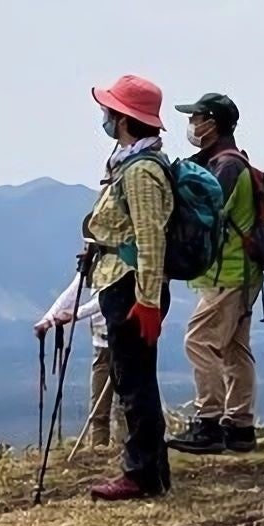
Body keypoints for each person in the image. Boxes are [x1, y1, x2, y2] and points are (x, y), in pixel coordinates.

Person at [83, 74, 174, 501]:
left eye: (109, 111)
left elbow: (150, 238)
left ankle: (140, 474)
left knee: (134, 382)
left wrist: (147, 301)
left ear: (122, 119)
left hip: (130, 288)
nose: (104, 117)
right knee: (136, 379)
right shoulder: (138, 164)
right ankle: (152, 470)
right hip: (130, 286)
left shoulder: (139, 173)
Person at [167, 93, 264, 456]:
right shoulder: (230, 161)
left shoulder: (226, 166)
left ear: (213, 123)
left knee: (199, 340)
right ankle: (240, 427)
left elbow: (204, 213)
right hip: (242, 271)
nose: (192, 125)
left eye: (197, 117)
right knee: (235, 347)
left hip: (228, 270)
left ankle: (208, 422)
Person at [34, 273, 125, 449]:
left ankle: (126, 455)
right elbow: (74, 289)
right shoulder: (96, 258)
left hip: (125, 341)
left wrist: (76, 313)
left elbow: (111, 296)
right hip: (101, 344)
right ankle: (99, 452)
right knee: (99, 409)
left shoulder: (120, 261)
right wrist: (49, 319)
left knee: (124, 407)